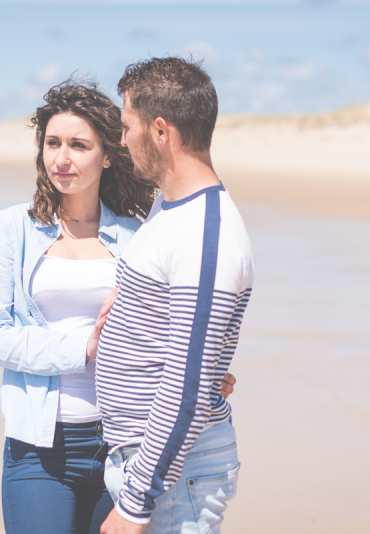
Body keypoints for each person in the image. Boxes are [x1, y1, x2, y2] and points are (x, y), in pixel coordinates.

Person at [0, 80, 237, 534]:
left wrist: (203, 369)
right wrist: (84, 348)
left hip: (122, 445)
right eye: (52, 143)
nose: (62, 158)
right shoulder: (13, 229)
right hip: (37, 448)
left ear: (108, 155)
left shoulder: (137, 234)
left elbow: (171, 325)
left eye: (78, 145)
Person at [94, 58, 254, 534]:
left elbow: (184, 389)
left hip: (174, 475)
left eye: (127, 128)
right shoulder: (169, 207)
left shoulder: (209, 236)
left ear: (160, 131)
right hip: (153, 461)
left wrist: (134, 504)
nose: (121, 141)